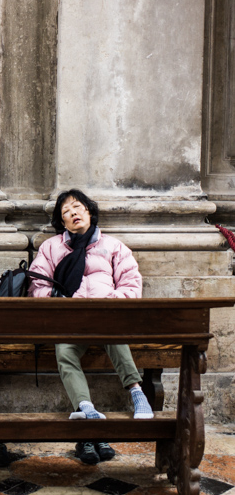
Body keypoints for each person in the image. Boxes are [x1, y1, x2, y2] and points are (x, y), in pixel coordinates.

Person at [28, 189, 154, 465]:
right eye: (65, 212)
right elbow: (37, 283)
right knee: (65, 352)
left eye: (77, 207)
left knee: (113, 334)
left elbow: (131, 283)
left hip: (105, 314)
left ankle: (137, 393)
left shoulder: (113, 246)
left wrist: (110, 303)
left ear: (88, 211)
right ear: (62, 221)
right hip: (69, 318)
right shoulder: (51, 247)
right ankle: (86, 408)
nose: (72, 213)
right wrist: (59, 301)